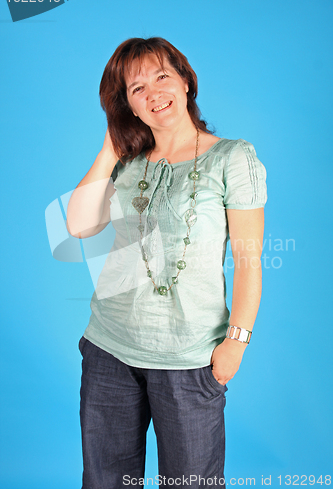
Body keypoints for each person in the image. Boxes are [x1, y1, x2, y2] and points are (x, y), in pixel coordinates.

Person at [66, 37, 267, 489]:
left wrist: (235, 343)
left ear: (185, 81)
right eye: (136, 89)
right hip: (108, 351)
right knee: (106, 482)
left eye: (162, 77)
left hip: (190, 358)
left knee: (191, 483)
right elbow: (78, 226)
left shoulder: (232, 157)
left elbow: (250, 261)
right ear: (128, 106)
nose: (153, 93)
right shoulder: (127, 161)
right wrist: (109, 148)